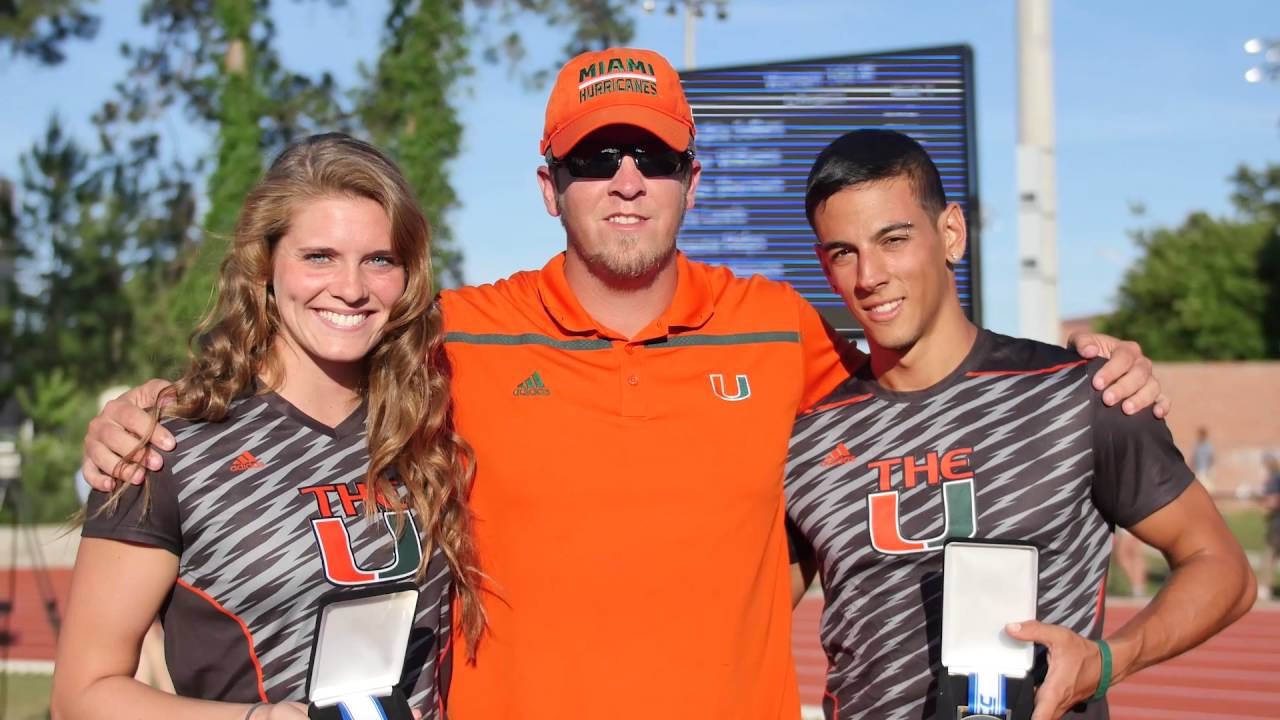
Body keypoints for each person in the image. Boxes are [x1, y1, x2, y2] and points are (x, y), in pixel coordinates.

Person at [78, 49, 1166, 719]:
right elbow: (305, 364)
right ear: (549, 185)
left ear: (694, 178)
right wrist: (138, 413)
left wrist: (1085, 368)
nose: (626, 180)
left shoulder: (779, 331)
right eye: (595, 159)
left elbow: (928, 376)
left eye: (649, 155)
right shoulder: (453, 335)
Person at [785, 129, 1254, 720]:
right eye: (842, 252)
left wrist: (1109, 661)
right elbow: (745, 614)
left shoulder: (1079, 396)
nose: (868, 275)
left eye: (894, 239)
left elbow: (1224, 567)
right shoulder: (808, 439)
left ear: (950, 232)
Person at [51, 134, 479, 720]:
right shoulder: (168, 446)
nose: (351, 288)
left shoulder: (432, 421)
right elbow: (82, 694)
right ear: (265, 263)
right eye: (318, 256)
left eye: (379, 259)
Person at [1261, 452, 1280, 601]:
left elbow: (1272, 502)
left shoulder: (1274, 479)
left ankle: (1266, 588)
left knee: (1270, 555)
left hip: (1277, 524)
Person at [1193, 426, 1215, 494]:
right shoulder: (1197, 445)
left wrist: (1210, 469)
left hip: (1205, 470)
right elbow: (1194, 458)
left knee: (1206, 488)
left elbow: (1211, 458)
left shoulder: (1208, 446)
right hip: (1198, 470)